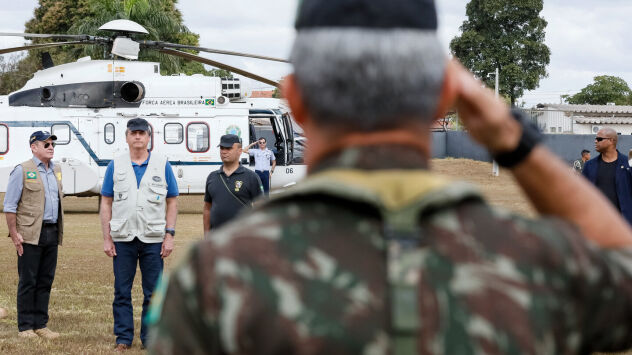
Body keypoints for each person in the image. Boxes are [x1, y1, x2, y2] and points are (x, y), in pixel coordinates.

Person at [148, 0, 632, 353]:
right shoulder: (539, 262)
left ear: (294, 101)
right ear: (446, 96)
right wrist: (514, 141)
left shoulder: (214, 280)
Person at [99, 118, 178, 351]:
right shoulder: (116, 164)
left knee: (153, 293)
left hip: (153, 238)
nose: (137, 137)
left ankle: (150, 337)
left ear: (148, 137)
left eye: (142, 133)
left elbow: (172, 202)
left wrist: (169, 235)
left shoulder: (162, 164)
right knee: (121, 290)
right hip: (123, 238)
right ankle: (123, 338)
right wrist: (106, 237)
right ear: (126, 137)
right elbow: (106, 201)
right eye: (133, 133)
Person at [3, 131, 64, 339]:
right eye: (45, 143)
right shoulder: (22, 170)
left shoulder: (56, 170)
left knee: (46, 280)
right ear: (33, 147)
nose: (50, 146)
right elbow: (10, 207)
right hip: (29, 234)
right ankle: (26, 327)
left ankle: (41, 325)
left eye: (51, 143)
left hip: (52, 231)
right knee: (28, 280)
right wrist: (14, 234)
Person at [202, 134, 263, 235]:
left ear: (239, 151)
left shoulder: (251, 177)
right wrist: (207, 236)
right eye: (222, 148)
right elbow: (207, 209)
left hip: (242, 239)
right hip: (216, 241)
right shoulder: (212, 177)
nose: (224, 151)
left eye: (228, 148)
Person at [582, 127, 632, 225]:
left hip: (623, 224)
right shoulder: (589, 165)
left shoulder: (628, 164)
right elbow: (582, 193)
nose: (595, 141)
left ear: (611, 141)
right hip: (596, 222)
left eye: (599, 139)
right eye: (595, 138)